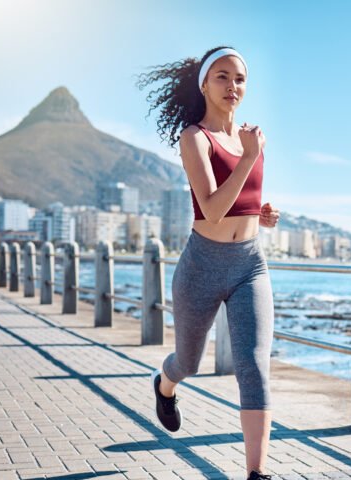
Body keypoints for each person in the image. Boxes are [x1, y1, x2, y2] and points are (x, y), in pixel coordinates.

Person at [137, 45, 281, 480]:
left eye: (239, 78)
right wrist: (250, 157)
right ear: (204, 83)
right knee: (189, 362)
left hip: (250, 264)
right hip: (202, 265)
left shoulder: (252, 137)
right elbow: (213, 209)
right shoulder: (194, 138)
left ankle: (257, 473)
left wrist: (263, 214)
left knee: (254, 366)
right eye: (221, 76)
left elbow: (242, 201)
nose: (232, 86)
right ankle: (165, 386)